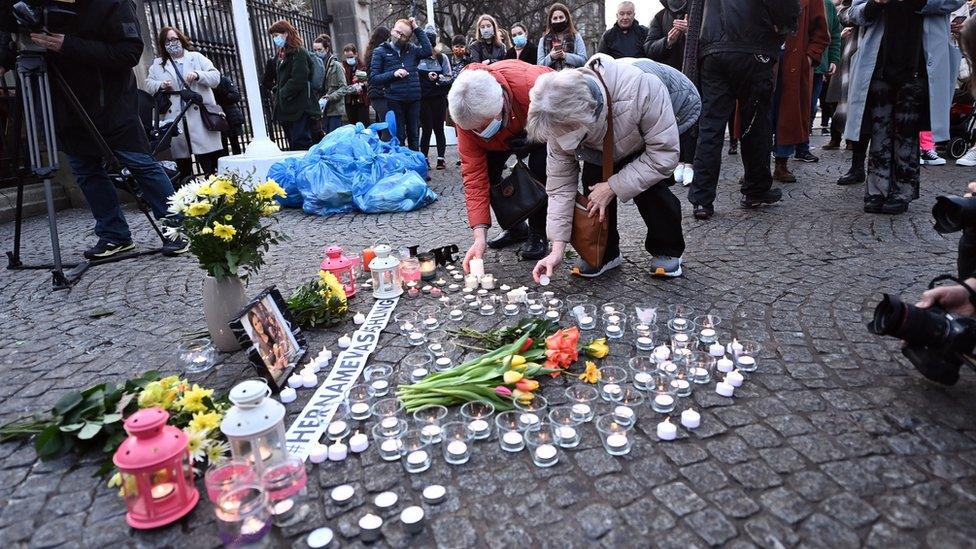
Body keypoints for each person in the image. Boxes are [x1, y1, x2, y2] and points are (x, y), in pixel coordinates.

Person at [0, 0, 188, 259]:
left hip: (111, 103)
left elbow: (129, 52)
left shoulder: (113, 3)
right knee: (86, 171)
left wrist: (68, 45)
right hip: (65, 104)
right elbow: (13, 30)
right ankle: (114, 235)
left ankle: (175, 227)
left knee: (140, 164)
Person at [527, 55, 686, 280]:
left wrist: (613, 186)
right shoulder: (556, 119)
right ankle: (605, 252)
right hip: (604, 133)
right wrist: (557, 249)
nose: (560, 140)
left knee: (647, 184)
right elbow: (560, 186)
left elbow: (663, 155)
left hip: (665, 113)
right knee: (593, 183)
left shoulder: (641, 88)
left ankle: (667, 248)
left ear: (583, 117)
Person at [844, 0, 964, 215]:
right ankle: (876, 190)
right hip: (880, 62)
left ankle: (902, 191)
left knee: (907, 130)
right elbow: (854, 13)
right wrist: (875, 4)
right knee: (879, 128)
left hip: (918, 62)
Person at [688, 0, 802, 220]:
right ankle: (756, 189)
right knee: (756, 123)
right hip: (753, 47)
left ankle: (702, 199)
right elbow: (786, 7)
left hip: (713, 50)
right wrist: (784, 26)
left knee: (711, 126)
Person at [448, 61, 554, 267]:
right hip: (500, 140)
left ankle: (538, 232)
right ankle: (515, 227)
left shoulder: (532, 85)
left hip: (537, 128)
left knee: (540, 167)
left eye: (483, 126)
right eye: (474, 130)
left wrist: (535, 136)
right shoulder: (465, 114)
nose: (479, 133)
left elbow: (562, 127)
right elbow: (474, 178)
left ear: (499, 106)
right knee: (489, 174)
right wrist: (480, 237)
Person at [146, 26, 224, 182]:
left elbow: (216, 78)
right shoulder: (158, 64)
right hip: (176, 116)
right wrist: (161, 85)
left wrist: (197, 75)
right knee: (183, 162)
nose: (172, 43)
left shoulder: (196, 57)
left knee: (208, 160)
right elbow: (148, 84)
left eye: (174, 39)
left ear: (181, 39)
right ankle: (188, 194)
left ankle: (217, 192)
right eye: (167, 40)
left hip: (200, 116)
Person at [771, 0, 829, 182]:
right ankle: (756, 165)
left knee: (789, 114)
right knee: (760, 112)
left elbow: (822, 32)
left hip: (794, 62)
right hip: (764, 57)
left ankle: (782, 162)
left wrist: (811, 57)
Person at [369, 17, 432, 150]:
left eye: (403, 35)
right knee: (399, 136)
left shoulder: (412, 50)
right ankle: (401, 165)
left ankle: (415, 164)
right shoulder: (380, 51)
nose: (398, 36)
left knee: (414, 134)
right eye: (397, 32)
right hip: (394, 99)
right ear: (392, 30)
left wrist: (416, 28)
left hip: (413, 98)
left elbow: (428, 50)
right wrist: (393, 74)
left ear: (408, 38)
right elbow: (374, 78)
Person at [795, 0, 841, 162]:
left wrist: (834, 59)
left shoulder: (828, 5)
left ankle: (802, 147)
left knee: (809, 108)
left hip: (816, 66)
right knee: (789, 107)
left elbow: (834, 33)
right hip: (794, 64)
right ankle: (781, 146)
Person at [267, 20, 321, 151]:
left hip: (299, 107)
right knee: (293, 143)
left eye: (276, 35)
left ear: (285, 34)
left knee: (300, 143)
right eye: (273, 36)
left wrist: (283, 92)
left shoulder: (298, 53)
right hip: (288, 107)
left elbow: (299, 79)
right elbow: (283, 79)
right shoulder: (283, 55)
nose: (275, 39)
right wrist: (277, 90)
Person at [418, 28, 453, 170]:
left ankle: (441, 159)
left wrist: (438, 77)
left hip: (438, 98)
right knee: (426, 130)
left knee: (439, 129)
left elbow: (449, 76)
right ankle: (424, 158)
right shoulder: (418, 58)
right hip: (423, 99)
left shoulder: (441, 58)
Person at [312, 34, 359, 136]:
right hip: (322, 109)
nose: (317, 53)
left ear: (327, 49)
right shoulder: (316, 65)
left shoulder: (336, 66)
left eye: (319, 50)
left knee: (334, 137)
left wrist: (329, 97)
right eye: (315, 50)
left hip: (334, 109)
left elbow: (343, 87)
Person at [538, 3, 588, 70]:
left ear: (566, 18)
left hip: (573, 78)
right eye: (555, 18)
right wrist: (551, 57)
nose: (558, 20)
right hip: (550, 79)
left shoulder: (576, 37)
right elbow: (539, 65)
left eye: (561, 17)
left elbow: (583, 61)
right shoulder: (543, 40)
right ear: (551, 20)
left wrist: (565, 56)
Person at [645, 0, 689, 70]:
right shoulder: (660, 16)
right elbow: (649, 49)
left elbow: (709, 45)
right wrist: (667, 42)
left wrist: (690, 33)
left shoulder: (700, 13)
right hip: (668, 73)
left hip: (695, 72)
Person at [365, 26, 391, 127]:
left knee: (383, 124)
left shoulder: (371, 52)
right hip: (380, 93)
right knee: (387, 127)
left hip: (376, 94)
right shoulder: (378, 53)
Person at [213, 75, 245, 156]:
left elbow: (236, 95)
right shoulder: (207, 83)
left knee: (234, 142)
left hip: (230, 114)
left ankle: (237, 163)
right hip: (216, 115)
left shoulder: (224, 80)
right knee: (222, 144)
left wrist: (223, 94)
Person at [341, 44, 371, 127]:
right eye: (347, 57)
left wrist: (363, 83)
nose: (349, 59)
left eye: (351, 57)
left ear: (356, 54)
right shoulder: (342, 66)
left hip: (362, 99)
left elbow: (369, 80)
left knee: (364, 124)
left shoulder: (363, 65)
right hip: (349, 100)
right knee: (352, 124)